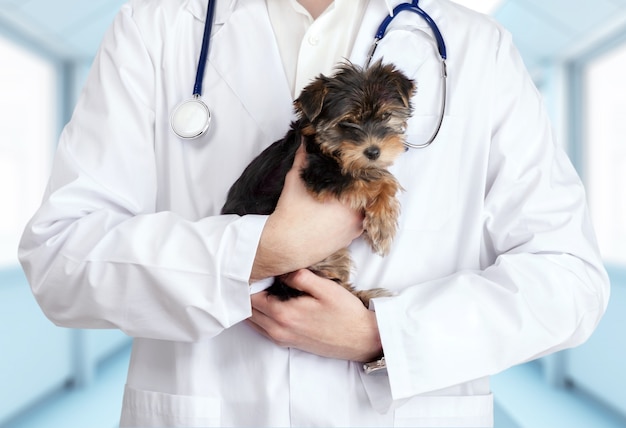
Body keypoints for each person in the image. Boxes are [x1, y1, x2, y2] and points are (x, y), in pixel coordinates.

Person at [18, 0, 610, 426]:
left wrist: (386, 338)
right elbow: (61, 258)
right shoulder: (156, 28)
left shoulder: (474, 49)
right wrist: (261, 252)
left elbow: (568, 280)